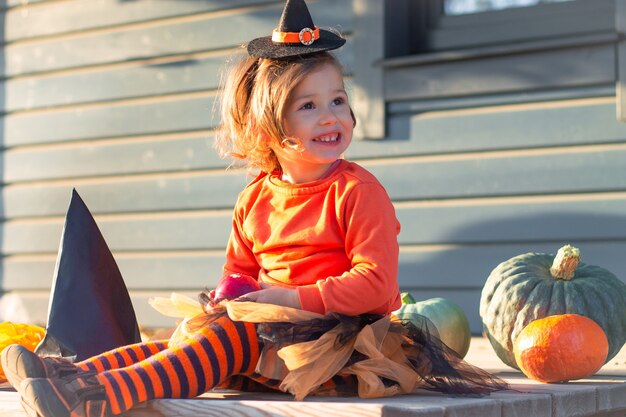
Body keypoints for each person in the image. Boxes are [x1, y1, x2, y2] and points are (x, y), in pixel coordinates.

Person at [1, 1, 507, 416]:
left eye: (337, 99)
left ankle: (99, 398)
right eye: (308, 106)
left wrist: (285, 299)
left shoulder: (356, 192)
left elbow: (376, 286)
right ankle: (73, 375)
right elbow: (239, 274)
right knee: (189, 341)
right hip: (264, 334)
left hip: (333, 346)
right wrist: (228, 297)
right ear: (269, 129)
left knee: (233, 336)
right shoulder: (256, 198)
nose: (332, 116)